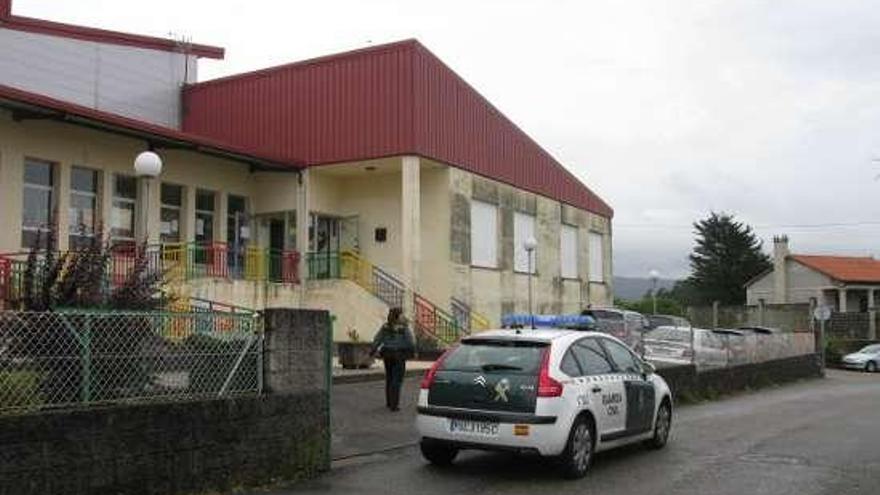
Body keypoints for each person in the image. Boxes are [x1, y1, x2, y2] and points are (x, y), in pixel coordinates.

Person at [371, 307, 416, 411]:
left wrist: (373, 350)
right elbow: (410, 342)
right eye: (402, 314)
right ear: (399, 316)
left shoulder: (386, 326)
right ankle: (394, 405)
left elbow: (377, 339)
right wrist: (413, 350)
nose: (403, 316)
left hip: (387, 354)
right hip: (399, 355)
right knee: (397, 380)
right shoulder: (403, 328)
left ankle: (389, 402)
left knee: (389, 378)